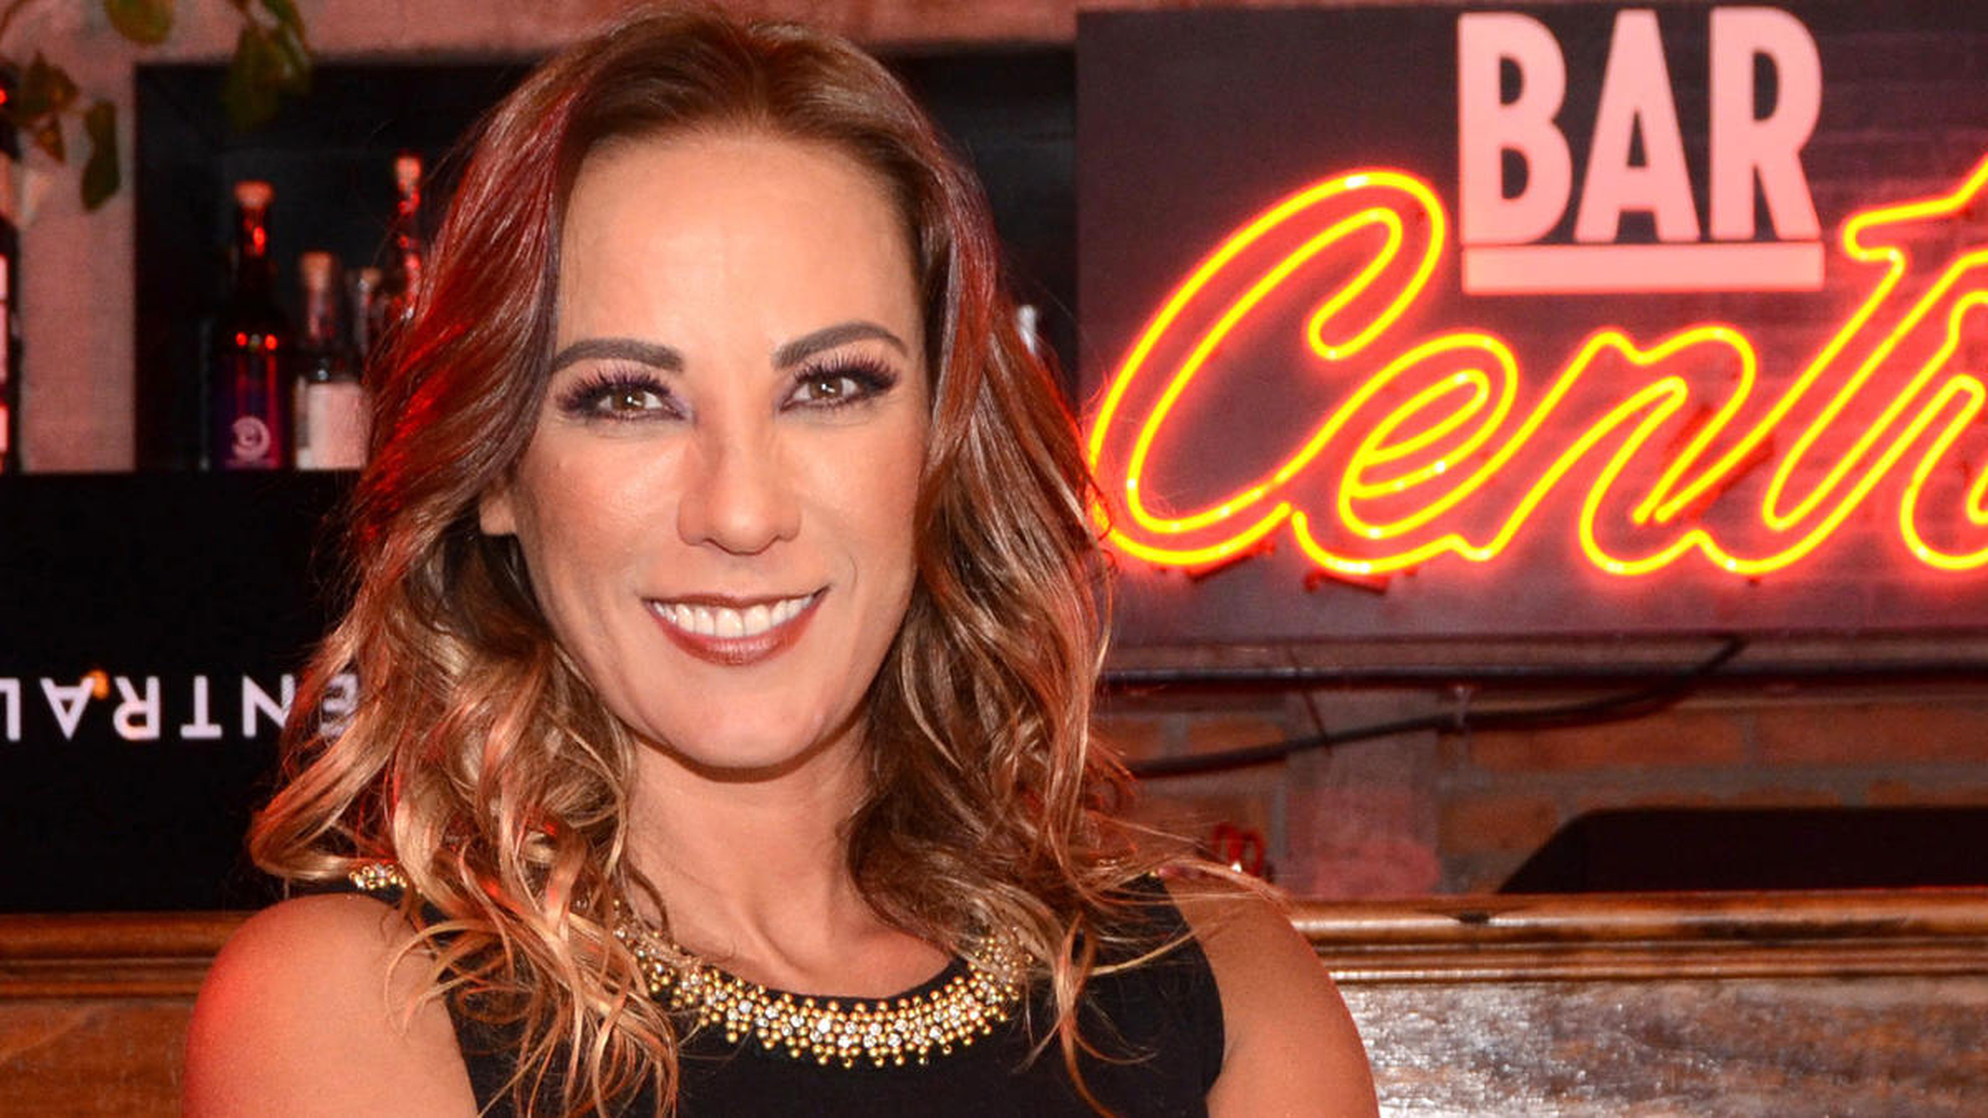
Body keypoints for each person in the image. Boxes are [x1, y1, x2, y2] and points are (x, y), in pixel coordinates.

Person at [183, 8, 1377, 1116]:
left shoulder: (1223, 987)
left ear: (938, 442)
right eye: (628, 397)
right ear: (495, 470)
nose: (742, 511)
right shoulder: (352, 1005)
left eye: (830, 385)